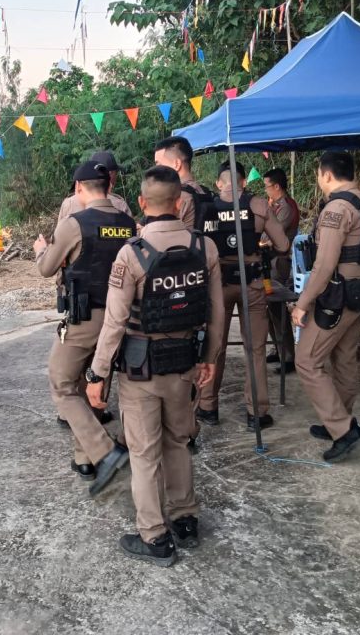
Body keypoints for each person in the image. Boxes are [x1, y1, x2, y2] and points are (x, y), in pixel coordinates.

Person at [87, 165, 224, 566]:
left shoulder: (131, 254)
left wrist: (97, 374)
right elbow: (216, 313)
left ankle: (155, 537)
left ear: (142, 203)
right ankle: (185, 519)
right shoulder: (205, 248)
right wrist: (209, 358)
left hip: (141, 370)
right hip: (185, 365)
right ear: (179, 202)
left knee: (145, 454)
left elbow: (114, 322)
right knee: (178, 442)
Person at [34, 160, 136, 483]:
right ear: (109, 186)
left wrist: (41, 250)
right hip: (120, 319)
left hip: (85, 317)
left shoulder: (74, 224)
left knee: (62, 383)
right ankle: (85, 459)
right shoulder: (128, 223)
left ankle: (104, 450)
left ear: (78, 188)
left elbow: (47, 268)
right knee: (93, 384)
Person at [290, 151, 360, 463]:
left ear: (326, 174)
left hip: (337, 296)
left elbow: (324, 266)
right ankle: (339, 421)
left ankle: (344, 430)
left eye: (318, 174)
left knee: (306, 360)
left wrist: (302, 304)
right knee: (344, 359)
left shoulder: (338, 208)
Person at [198, 161, 290, 430]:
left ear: (219, 182)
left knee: (215, 345)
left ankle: (207, 406)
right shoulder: (259, 205)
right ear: (243, 182)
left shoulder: (207, 207)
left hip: (218, 284)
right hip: (252, 283)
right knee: (255, 349)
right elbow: (283, 245)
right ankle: (256, 413)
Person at [153, 135, 215, 446]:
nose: (154, 169)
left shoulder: (182, 198)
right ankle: (194, 419)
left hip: (179, 284)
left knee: (180, 357)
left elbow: (168, 242)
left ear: (177, 164)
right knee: (198, 352)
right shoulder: (206, 193)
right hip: (203, 279)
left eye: (159, 163)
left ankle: (183, 430)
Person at [263, 168, 300, 371]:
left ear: (277, 186)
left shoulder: (286, 207)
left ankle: (288, 357)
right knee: (269, 308)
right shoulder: (274, 205)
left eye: (267, 186)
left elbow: (272, 234)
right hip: (269, 262)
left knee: (277, 309)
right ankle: (278, 349)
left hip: (279, 263)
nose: (266, 190)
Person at [153, 136, 215, 232]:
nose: (156, 170)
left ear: (177, 164)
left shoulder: (178, 196)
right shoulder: (204, 192)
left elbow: (161, 234)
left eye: (159, 165)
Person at [57, 150, 131, 223]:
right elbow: (130, 228)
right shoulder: (120, 205)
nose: (116, 176)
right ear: (110, 175)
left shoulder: (68, 204)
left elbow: (60, 230)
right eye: (116, 173)